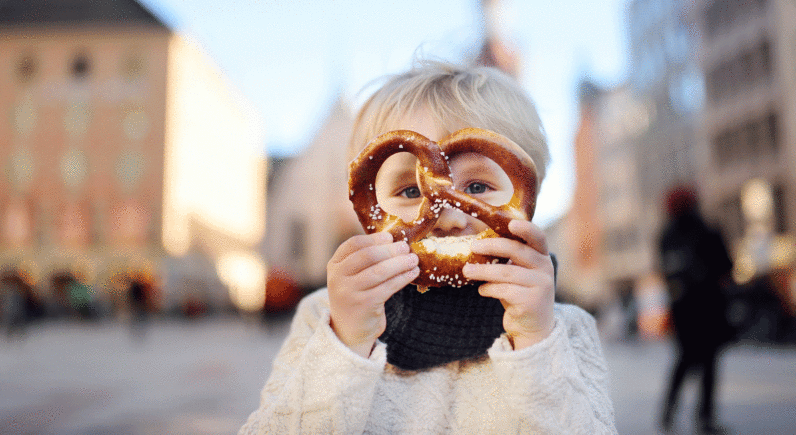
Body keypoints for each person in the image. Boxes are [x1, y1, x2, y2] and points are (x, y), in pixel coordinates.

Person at [240, 60, 616, 434]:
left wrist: (535, 342)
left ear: (526, 198)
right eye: (409, 190)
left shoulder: (562, 331)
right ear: (368, 203)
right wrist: (348, 344)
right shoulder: (326, 318)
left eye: (476, 188)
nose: (449, 217)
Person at [658, 186, 733, 434]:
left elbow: (666, 273)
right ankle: (703, 416)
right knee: (707, 364)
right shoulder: (706, 230)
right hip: (708, 307)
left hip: (685, 310)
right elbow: (726, 266)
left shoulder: (667, 236)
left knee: (684, 361)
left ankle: (669, 412)